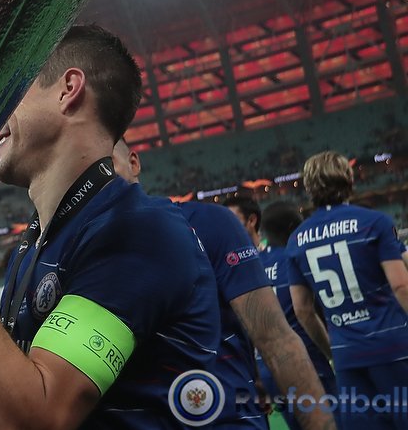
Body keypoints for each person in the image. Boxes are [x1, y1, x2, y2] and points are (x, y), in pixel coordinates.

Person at [0, 25, 222, 430]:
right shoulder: (34, 246)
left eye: (12, 92)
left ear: (68, 89)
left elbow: (31, 421)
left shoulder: (140, 229)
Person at [113, 140, 335, 429]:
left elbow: (275, 338)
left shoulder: (207, 223)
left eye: (107, 164)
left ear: (133, 163)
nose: (97, 178)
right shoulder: (70, 253)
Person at [287, 151, 408, 430]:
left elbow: (302, 309)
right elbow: (400, 285)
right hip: (393, 347)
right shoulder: (374, 222)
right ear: (351, 182)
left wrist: (332, 352)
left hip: (346, 356)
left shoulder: (296, 240)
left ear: (308, 190)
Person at [257, 201, 337, 430]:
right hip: (305, 362)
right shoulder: (296, 259)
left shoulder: (254, 266)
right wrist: (332, 353)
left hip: (268, 368)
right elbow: (309, 310)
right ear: (294, 228)